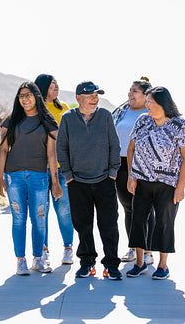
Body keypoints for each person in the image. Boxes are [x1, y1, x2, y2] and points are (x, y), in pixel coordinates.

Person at [56, 80, 122, 280]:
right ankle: (87, 264)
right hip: (77, 182)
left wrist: (112, 173)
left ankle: (111, 265)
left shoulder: (105, 116)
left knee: (109, 225)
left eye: (96, 95)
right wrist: (68, 176)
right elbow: (61, 148)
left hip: (104, 180)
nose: (95, 99)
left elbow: (115, 146)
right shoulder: (67, 118)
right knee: (83, 225)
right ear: (78, 98)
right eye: (90, 95)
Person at [126, 86, 185, 280]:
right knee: (138, 220)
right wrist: (132, 176)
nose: (147, 106)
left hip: (168, 184)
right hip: (142, 182)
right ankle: (139, 263)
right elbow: (131, 149)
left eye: (150, 103)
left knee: (164, 223)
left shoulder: (179, 125)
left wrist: (180, 187)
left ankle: (163, 266)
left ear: (163, 104)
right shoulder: (142, 121)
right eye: (146, 102)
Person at [0, 81, 62, 275]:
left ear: (37, 96)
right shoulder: (11, 120)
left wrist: (56, 183)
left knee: (39, 218)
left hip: (39, 177)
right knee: (18, 219)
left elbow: (52, 155)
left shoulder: (48, 121)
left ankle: (38, 259)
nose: (25, 99)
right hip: (13, 177)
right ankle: (20, 261)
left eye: (28, 95)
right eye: (21, 96)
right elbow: (3, 149)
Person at [112, 77, 155, 265]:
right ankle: (133, 247)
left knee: (145, 209)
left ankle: (147, 250)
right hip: (121, 165)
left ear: (146, 96)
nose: (130, 93)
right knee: (128, 208)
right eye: (130, 90)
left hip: (144, 165)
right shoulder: (121, 112)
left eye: (135, 91)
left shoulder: (152, 113)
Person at [34, 74, 74, 265]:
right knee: (42, 211)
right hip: (40, 170)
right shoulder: (33, 110)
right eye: (52, 85)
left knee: (64, 210)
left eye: (57, 83)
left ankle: (68, 248)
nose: (56, 87)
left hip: (61, 170)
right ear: (42, 88)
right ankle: (43, 249)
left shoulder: (64, 108)